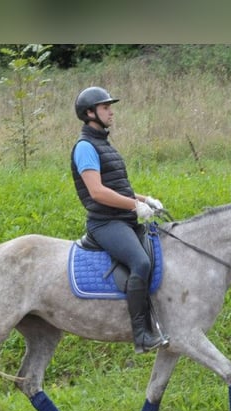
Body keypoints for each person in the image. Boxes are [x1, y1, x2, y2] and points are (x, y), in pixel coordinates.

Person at [71, 86, 170, 354]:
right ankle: (141, 335)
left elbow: (117, 187)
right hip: (105, 223)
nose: (111, 112)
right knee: (140, 261)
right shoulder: (85, 147)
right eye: (105, 108)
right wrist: (134, 205)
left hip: (122, 218)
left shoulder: (103, 144)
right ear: (90, 113)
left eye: (109, 107)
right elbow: (97, 191)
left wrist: (145, 199)